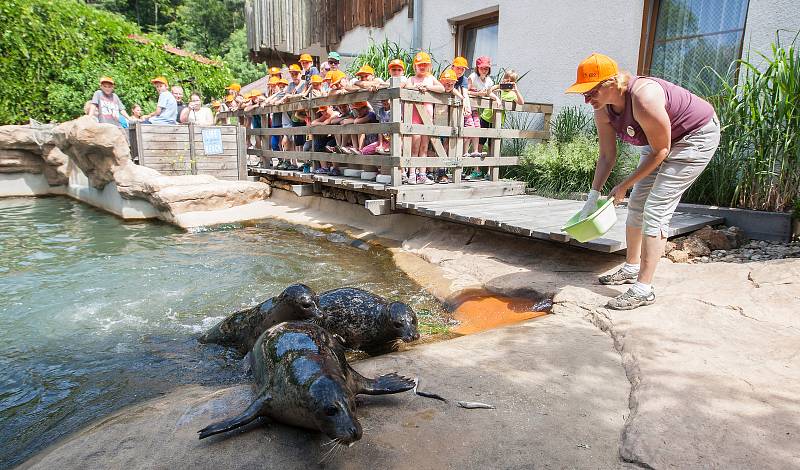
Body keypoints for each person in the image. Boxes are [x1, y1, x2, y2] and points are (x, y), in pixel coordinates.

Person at [565, 52, 720, 310]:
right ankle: (630, 267)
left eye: (590, 91)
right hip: (658, 139)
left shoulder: (644, 98)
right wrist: (592, 196)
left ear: (611, 82)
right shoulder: (602, 110)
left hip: (695, 136)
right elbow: (606, 155)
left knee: (656, 209)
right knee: (637, 203)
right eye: (583, 93)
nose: (586, 99)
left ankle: (643, 289)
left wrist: (624, 184)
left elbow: (663, 150)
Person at [406, 51, 445, 185]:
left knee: (424, 147)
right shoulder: (411, 78)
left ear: (429, 66)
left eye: (425, 65)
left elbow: (442, 89)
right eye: (419, 65)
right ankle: (412, 174)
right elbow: (405, 86)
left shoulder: (430, 78)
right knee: (414, 146)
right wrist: (416, 87)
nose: (422, 67)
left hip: (427, 118)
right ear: (415, 66)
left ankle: (422, 174)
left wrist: (428, 87)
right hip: (415, 117)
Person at [467, 56, 495, 179]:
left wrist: (497, 98)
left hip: (479, 111)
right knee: (469, 136)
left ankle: (481, 170)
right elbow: (465, 91)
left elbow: (490, 93)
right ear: (477, 68)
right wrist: (478, 94)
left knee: (479, 136)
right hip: (469, 109)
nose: (484, 70)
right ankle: (474, 169)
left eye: (486, 68)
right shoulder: (472, 77)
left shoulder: (489, 81)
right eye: (482, 68)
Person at [452, 57, 477, 157]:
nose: (460, 71)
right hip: (446, 111)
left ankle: (462, 154)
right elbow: (449, 88)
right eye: (458, 68)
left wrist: (467, 106)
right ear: (452, 67)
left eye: (463, 69)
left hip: (458, 111)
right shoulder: (448, 75)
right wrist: (462, 98)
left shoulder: (464, 79)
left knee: (468, 129)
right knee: (445, 138)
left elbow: (465, 94)